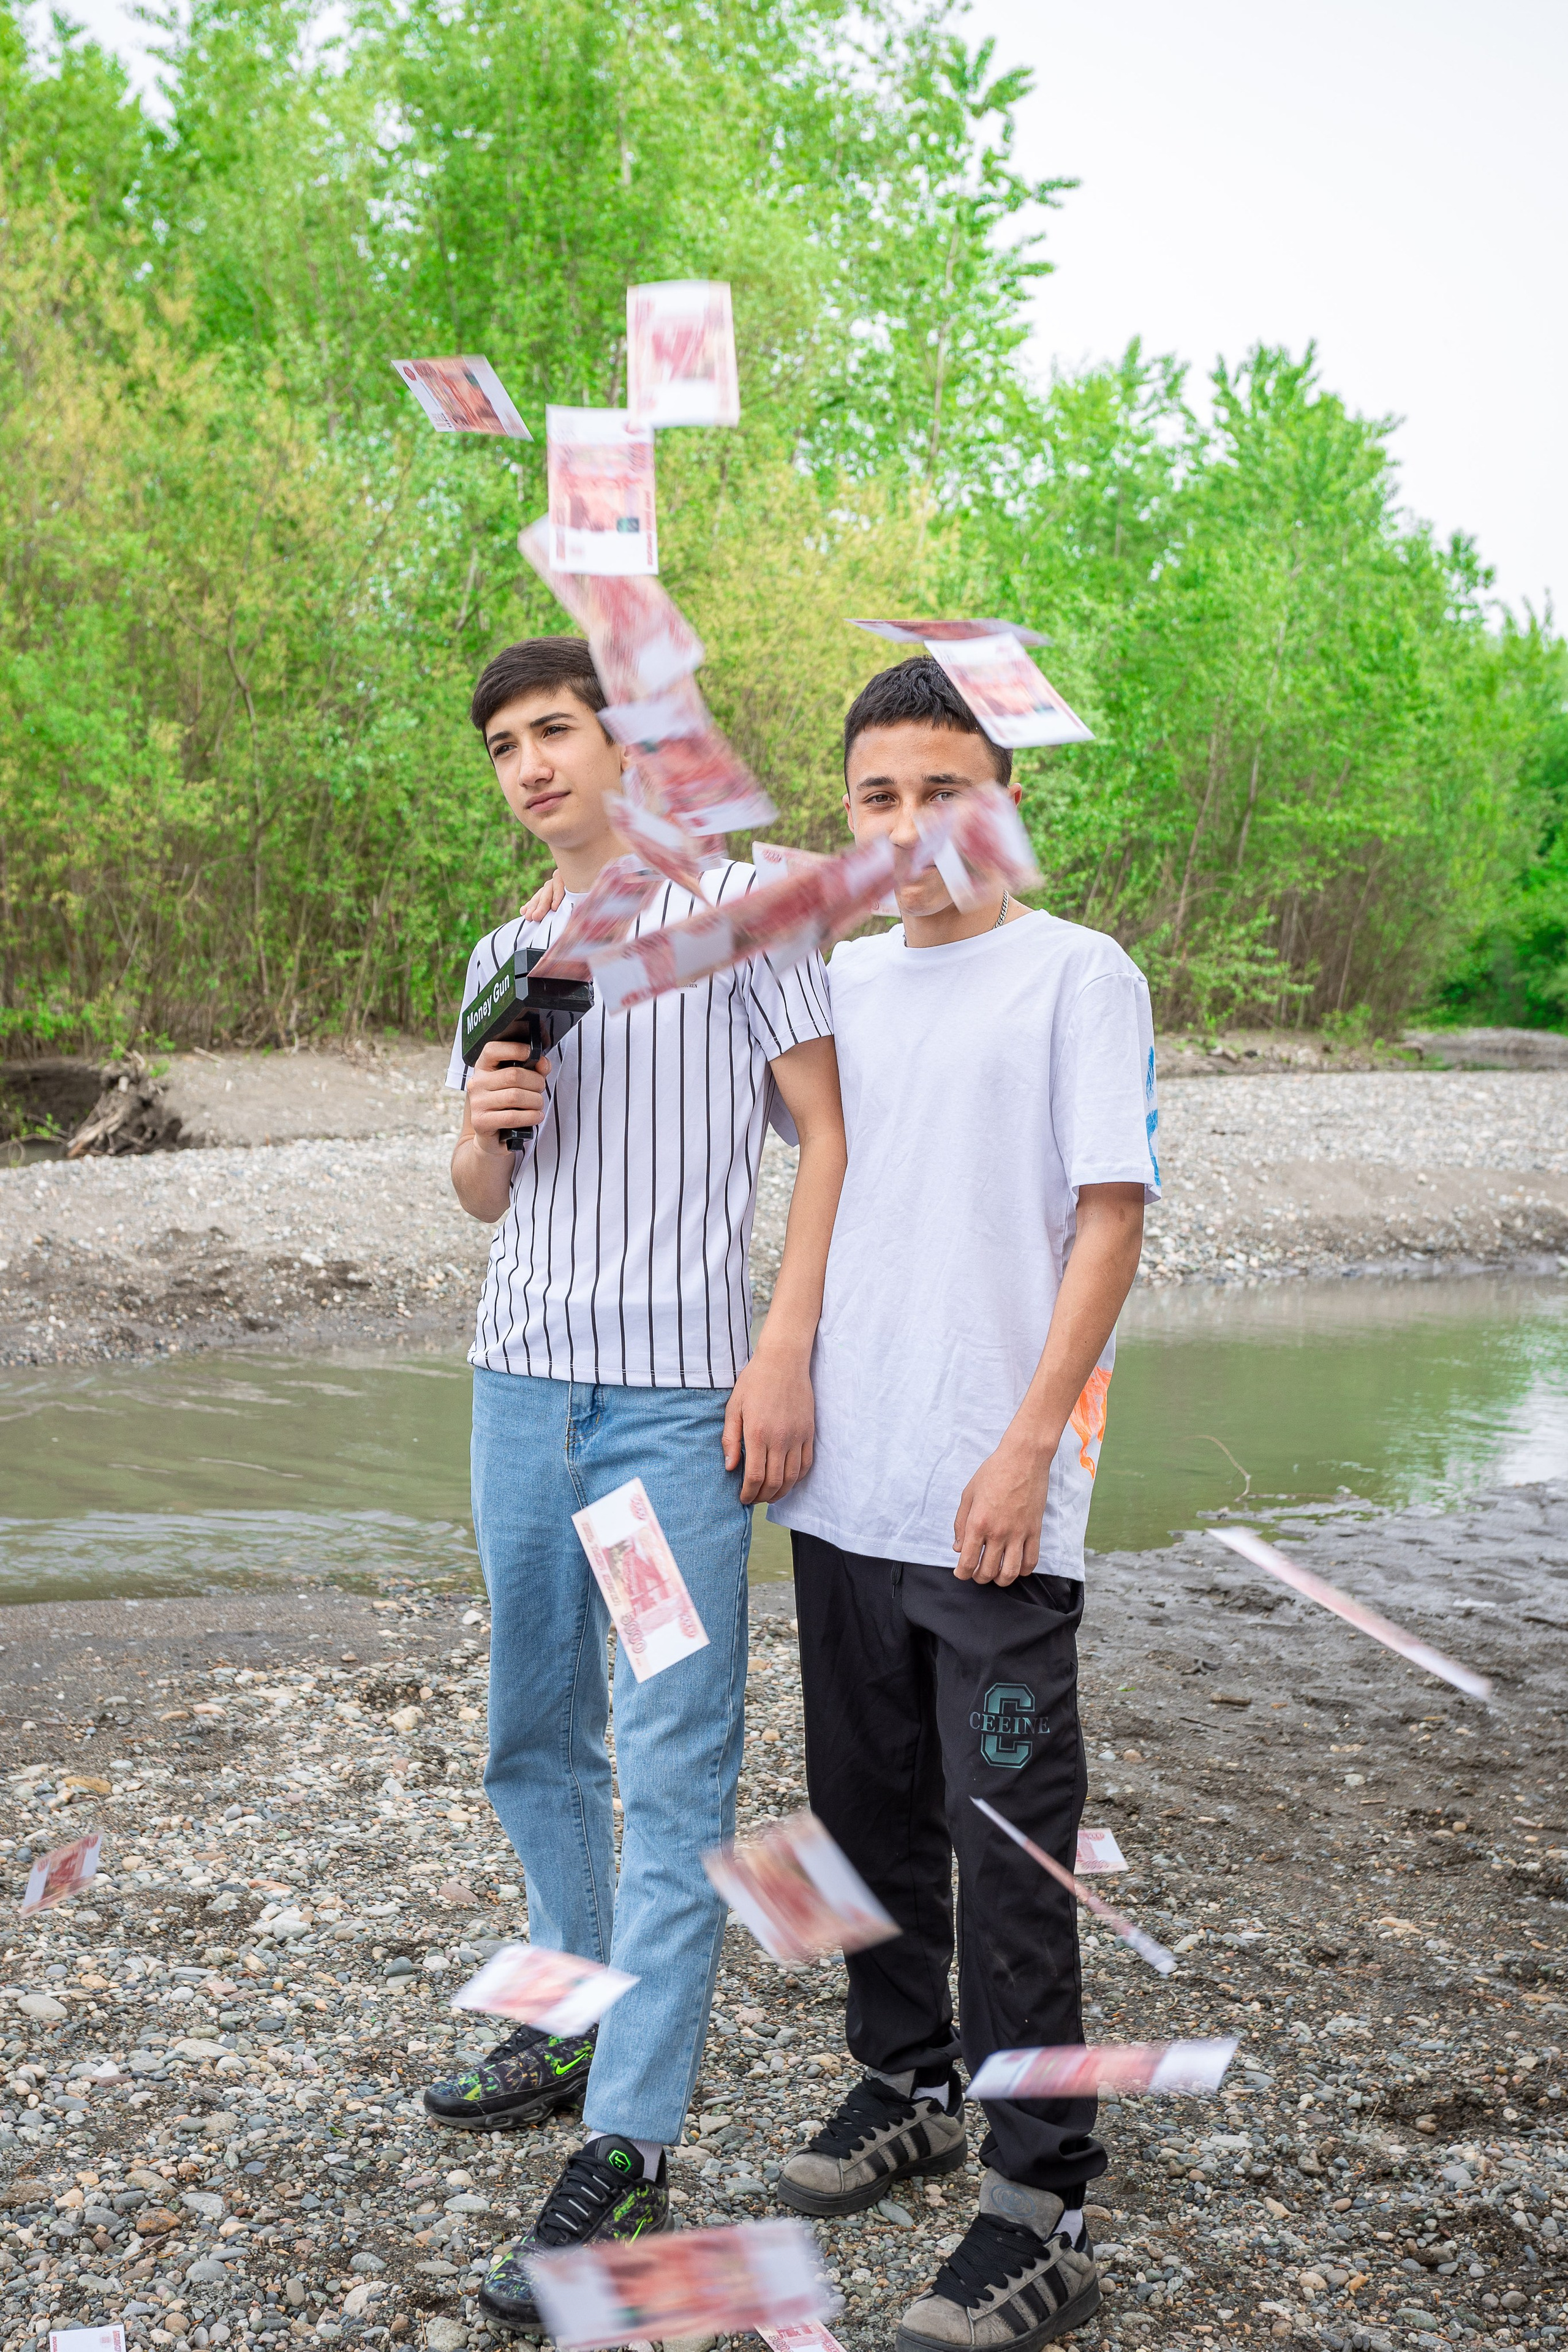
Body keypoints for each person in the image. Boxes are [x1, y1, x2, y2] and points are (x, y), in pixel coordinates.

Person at [430, 635, 846, 2331]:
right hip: (521, 1396)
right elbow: (474, 1192)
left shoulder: (746, 906)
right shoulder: (502, 946)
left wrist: (782, 1348)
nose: (531, 766)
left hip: (671, 1418)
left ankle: (628, 2137)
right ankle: (573, 2010)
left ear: (627, 745)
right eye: (505, 747)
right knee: (535, 1729)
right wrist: (486, 1112)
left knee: (672, 1765)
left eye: (556, 733)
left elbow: (825, 1132)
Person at [767, 655, 1160, 2352]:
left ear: (1001, 798)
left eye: (945, 788)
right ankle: (903, 2077)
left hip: (997, 1497)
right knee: (859, 1819)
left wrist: (1029, 1447)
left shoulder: (1079, 975)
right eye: (879, 796)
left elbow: (1110, 1223)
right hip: (845, 1481)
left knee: (1008, 1856)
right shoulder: (844, 980)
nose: (913, 823)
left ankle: (1041, 2199)